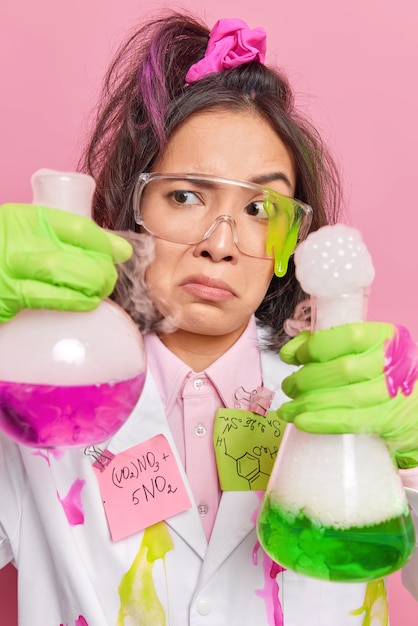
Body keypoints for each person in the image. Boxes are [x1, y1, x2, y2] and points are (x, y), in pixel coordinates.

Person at [0, 12, 418, 626]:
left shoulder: (356, 399)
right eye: (186, 195)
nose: (220, 244)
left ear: (289, 246)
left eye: (258, 207)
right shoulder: (45, 396)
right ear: (132, 209)